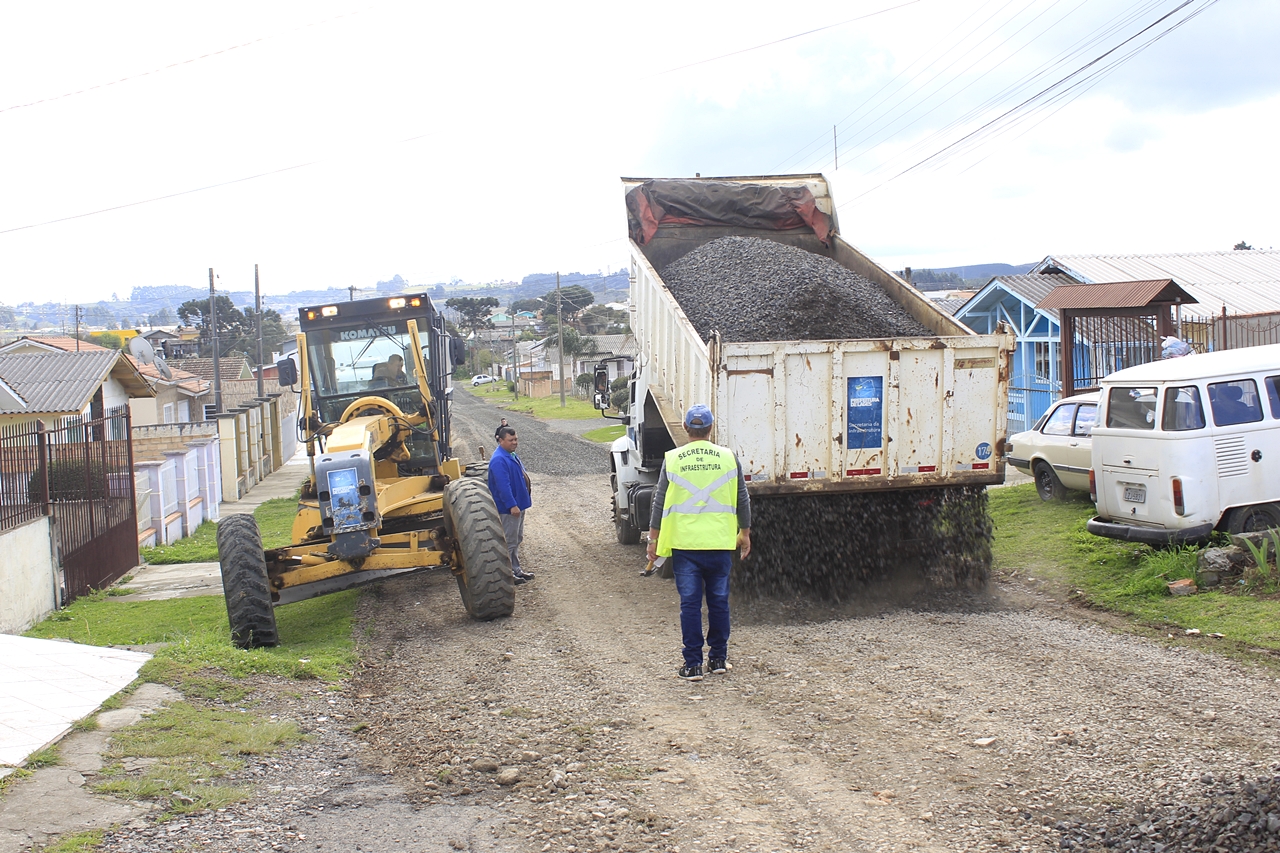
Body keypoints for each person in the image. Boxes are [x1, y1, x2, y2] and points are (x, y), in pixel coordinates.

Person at [647, 404, 751, 681]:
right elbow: (742, 498)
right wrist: (745, 534)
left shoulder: (673, 459)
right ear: (711, 428)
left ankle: (692, 664)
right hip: (719, 543)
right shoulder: (729, 457)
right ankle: (718, 659)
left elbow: (659, 502)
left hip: (686, 545)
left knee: (690, 605)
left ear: (684, 428)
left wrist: (652, 540)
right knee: (719, 603)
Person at [488, 426, 534, 584]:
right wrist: (512, 505)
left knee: (517, 538)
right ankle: (507, 574)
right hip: (510, 509)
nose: (515, 443)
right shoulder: (498, 460)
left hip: (519, 505)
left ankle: (516, 569)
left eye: (516, 439)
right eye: (511, 440)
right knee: (509, 541)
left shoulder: (510, 454)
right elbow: (503, 486)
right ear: (500, 441)